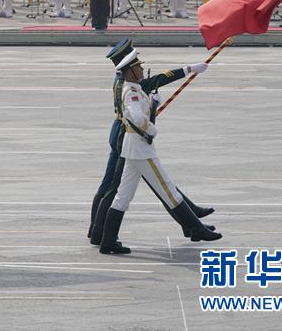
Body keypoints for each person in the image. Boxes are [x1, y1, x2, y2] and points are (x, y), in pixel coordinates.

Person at [89, 38, 215, 245]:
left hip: (124, 135)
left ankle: (191, 220)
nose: (140, 65)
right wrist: (187, 70)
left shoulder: (123, 80)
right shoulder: (127, 85)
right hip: (128, 137)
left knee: (133, 186)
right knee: (132, 186)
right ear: (127, 64)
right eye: (136, 62)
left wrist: (189, 69)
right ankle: (100, 233)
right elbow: (154, 84)